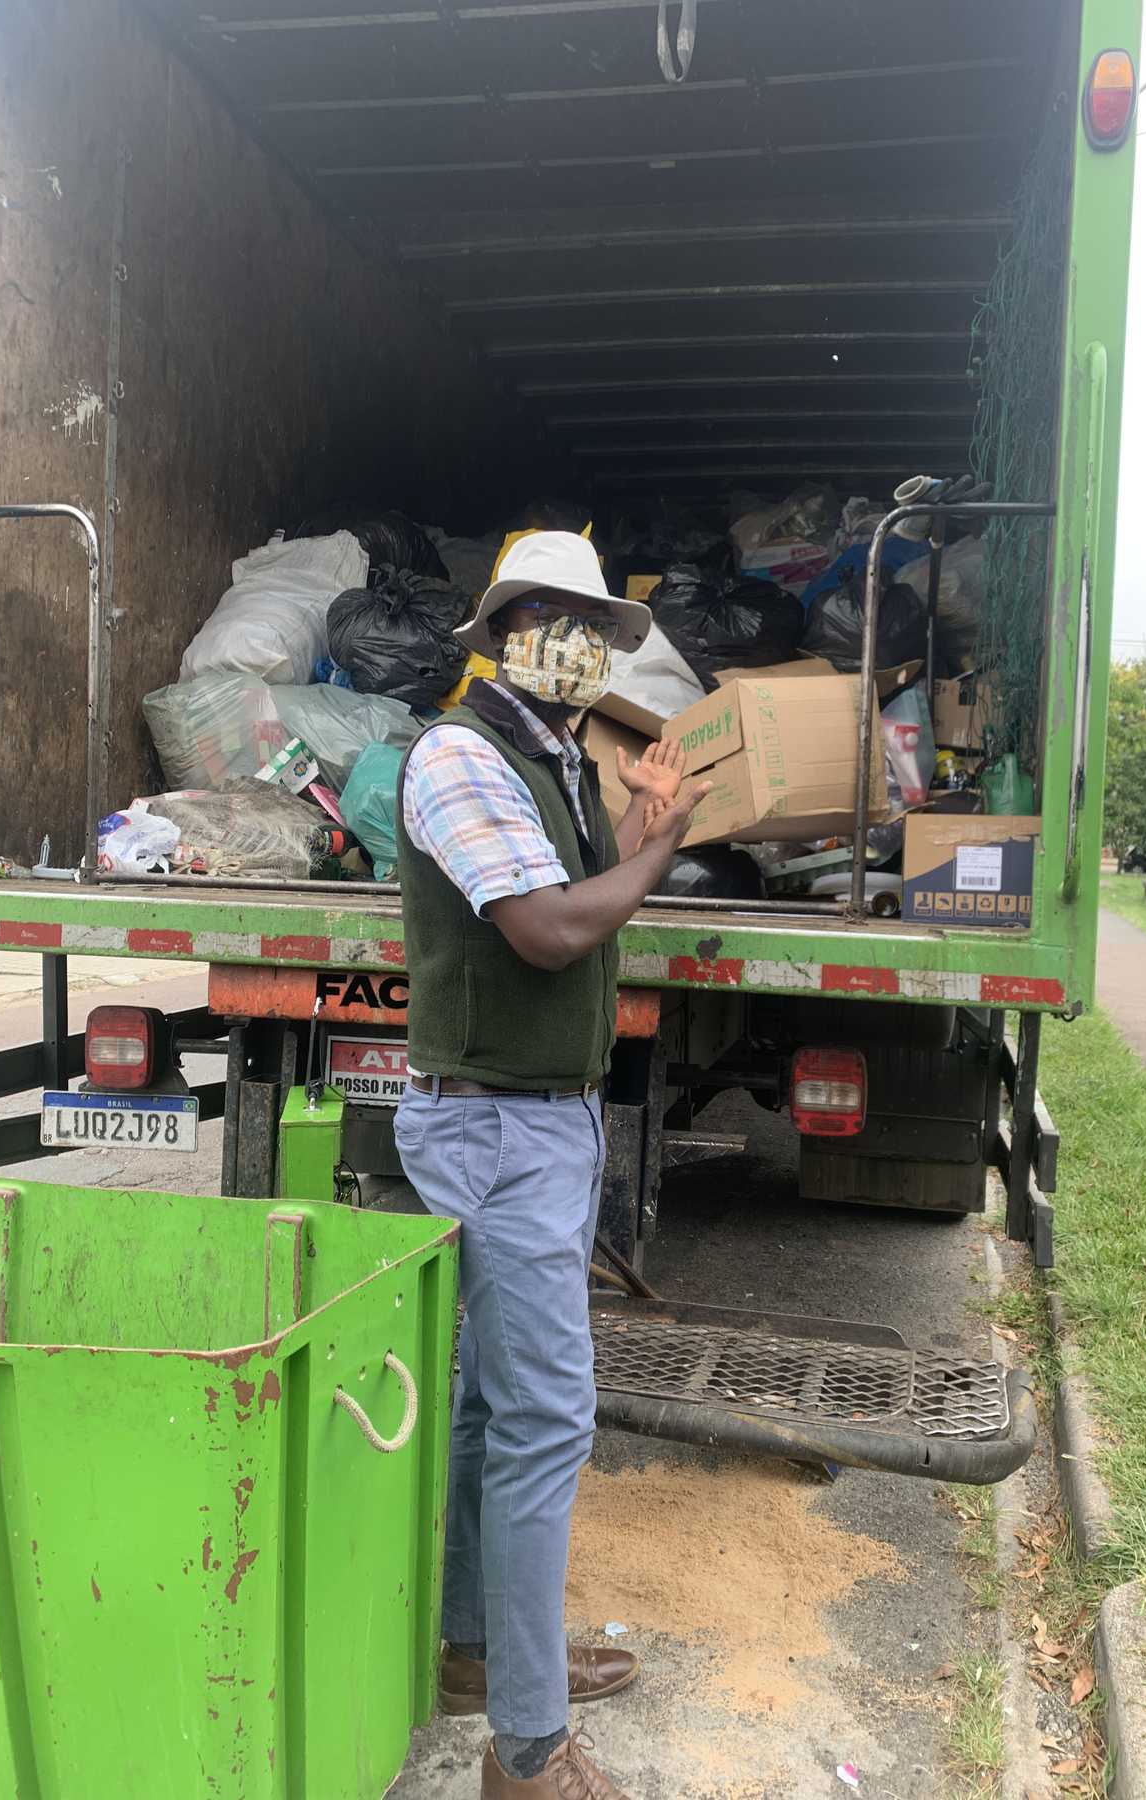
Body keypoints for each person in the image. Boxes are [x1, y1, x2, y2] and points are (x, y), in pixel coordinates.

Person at [392, 530, 710, 1799]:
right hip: (494, 1130)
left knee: (490, 1407)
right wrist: (655, 847)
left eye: (596, 626)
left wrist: (634, 828)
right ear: (503, 628)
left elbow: (580, 905)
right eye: (553, 619)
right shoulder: (463, 752)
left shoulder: (552, 759)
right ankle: (525, 1750)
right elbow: (547, 930)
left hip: (540, 1123)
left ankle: (479, 1652)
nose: (580, 646)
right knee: (542, 1422)